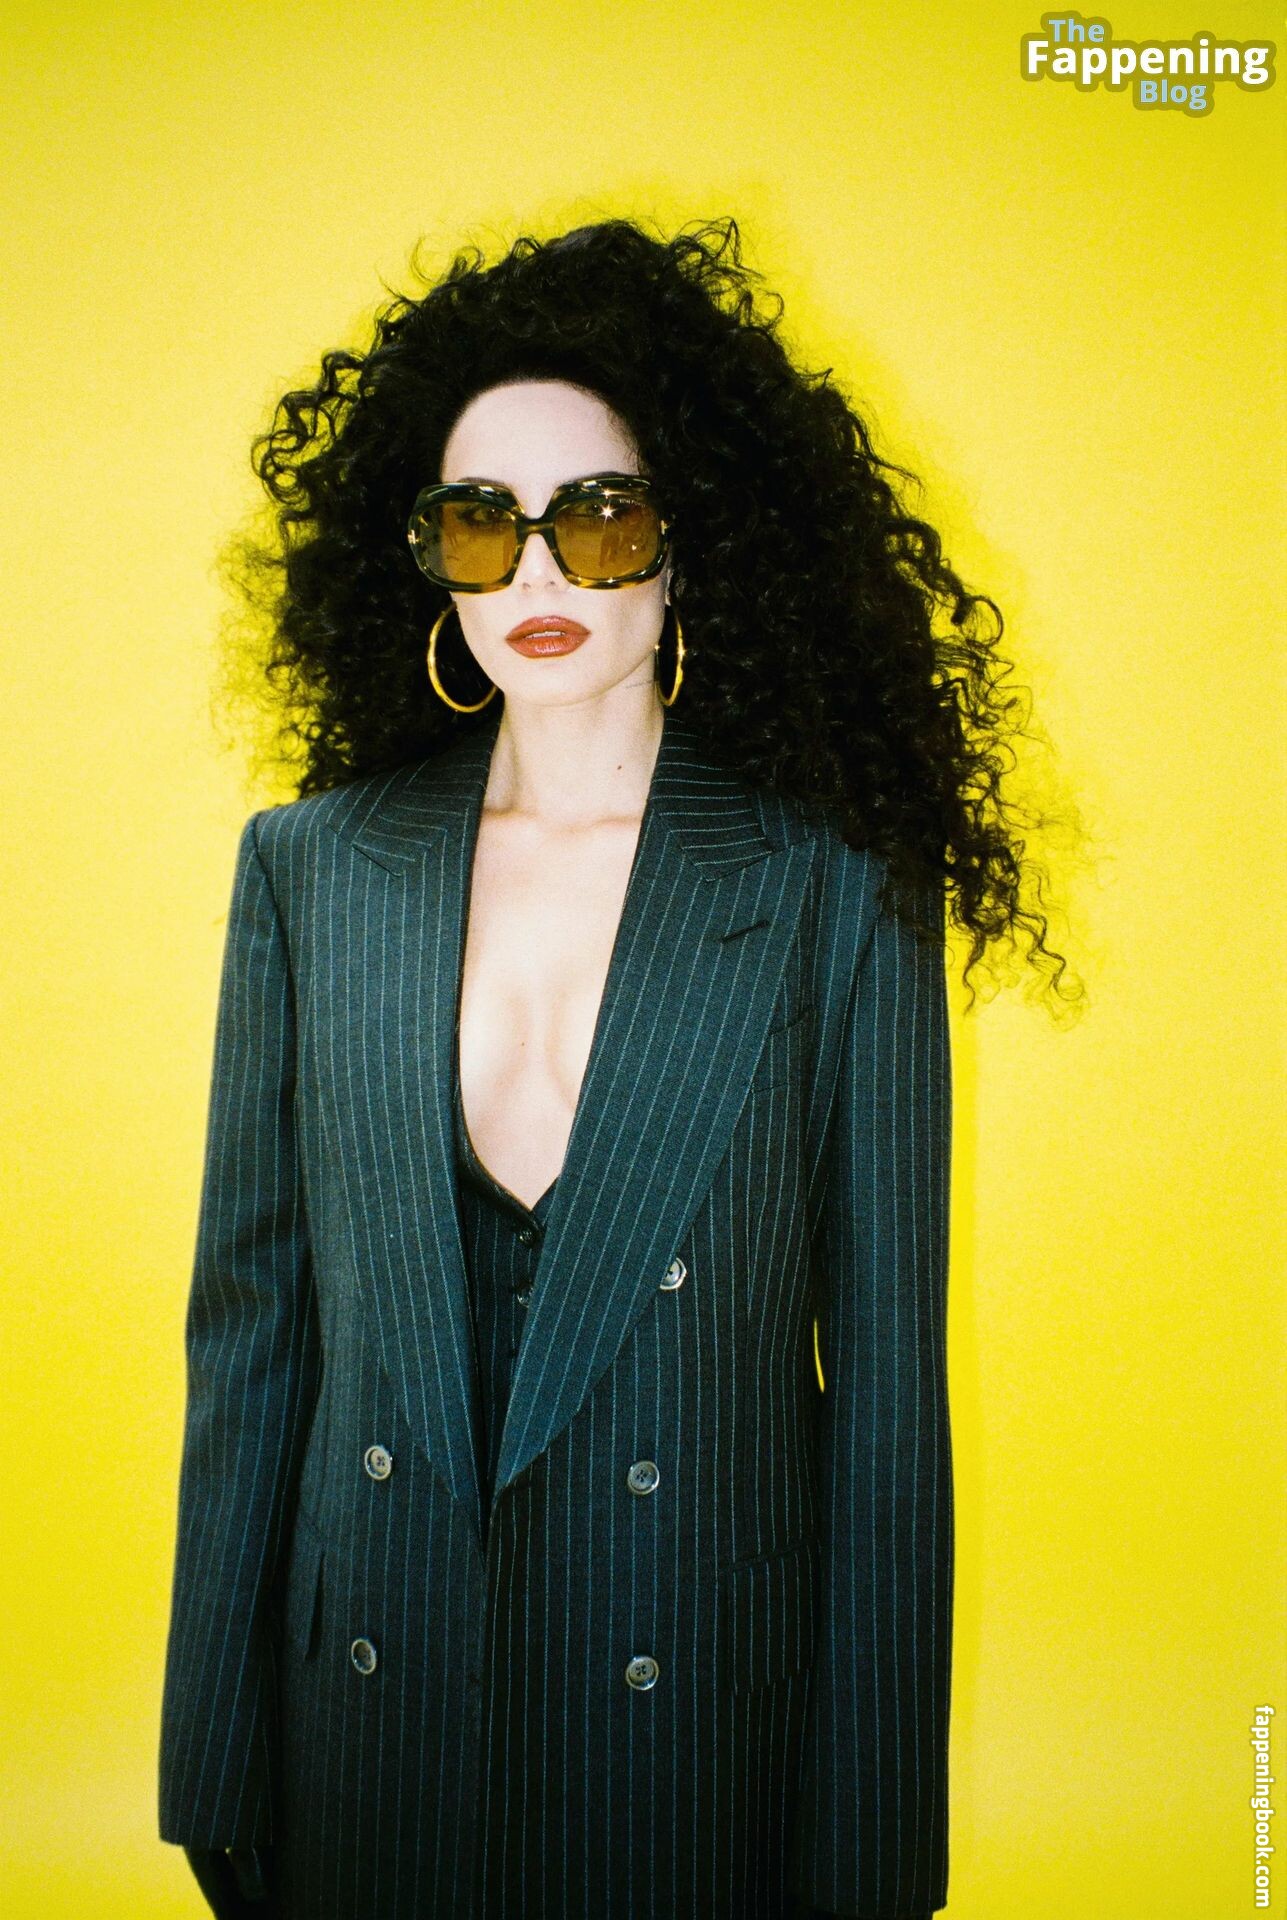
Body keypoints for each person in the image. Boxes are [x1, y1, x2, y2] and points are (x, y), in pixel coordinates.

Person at [158, 216, 1075, 1920]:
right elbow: (253, 1333)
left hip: (697, 1724)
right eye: (480, 523)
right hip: (367, 1717)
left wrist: (873, 1845)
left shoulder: (836, 887)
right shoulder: (311, 868)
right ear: (427, 560)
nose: (539, 578)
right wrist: (212, 1765)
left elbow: (887, 1387)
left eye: (599, 518)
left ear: (688, 542)